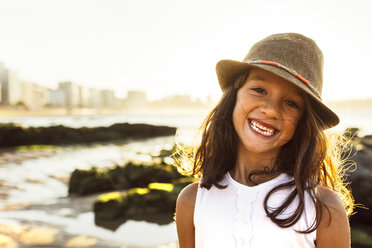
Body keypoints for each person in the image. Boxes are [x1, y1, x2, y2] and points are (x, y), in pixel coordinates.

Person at [175, 33, 353, 248]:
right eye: (259, 90)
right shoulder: (192, 201)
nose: (270, 110)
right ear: (234, 96)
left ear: (303, 121)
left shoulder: (323, 207)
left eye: (291, 103)